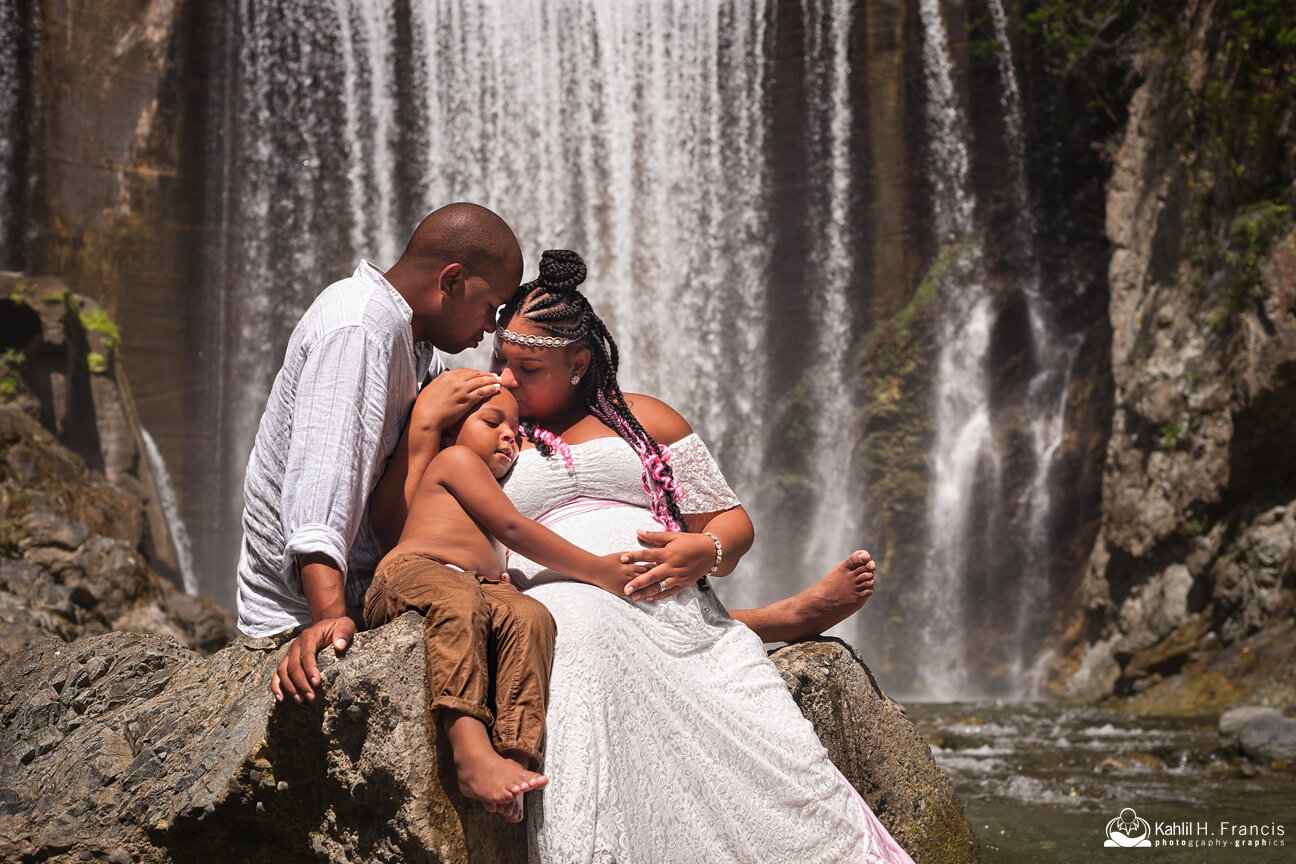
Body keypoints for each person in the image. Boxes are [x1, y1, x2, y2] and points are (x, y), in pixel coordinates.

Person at [380, 249, 911, 863]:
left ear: (579, 363)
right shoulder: (484, 420)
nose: (505, 378)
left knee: (752, 720)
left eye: (526, 367)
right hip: (562, 594)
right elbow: (409, 524)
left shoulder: (645, 417)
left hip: (664, 588)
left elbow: (733, 525)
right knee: (578, 630)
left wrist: (703, 549)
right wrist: (424, 427)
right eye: (500, 359)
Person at [233, 202, 517, 705]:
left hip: (366, 593)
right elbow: (323, 485)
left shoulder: (417, 346)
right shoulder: (360, 327)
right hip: (304, 618)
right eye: (492, 308)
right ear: (451, 281)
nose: (492, 327)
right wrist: (327, 621)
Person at [363, 389, 645, 823]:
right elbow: (513, 528)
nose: (509, 437)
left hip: (473, 583)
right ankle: (470, 750)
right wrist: (596, 570)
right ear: (452, 431)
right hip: (414, 572)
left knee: (531, 616)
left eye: (515, 431)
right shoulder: (455, 461)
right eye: (492, 423)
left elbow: (496, 546)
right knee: (460, 601)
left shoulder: (489, 485)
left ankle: (514, 758)